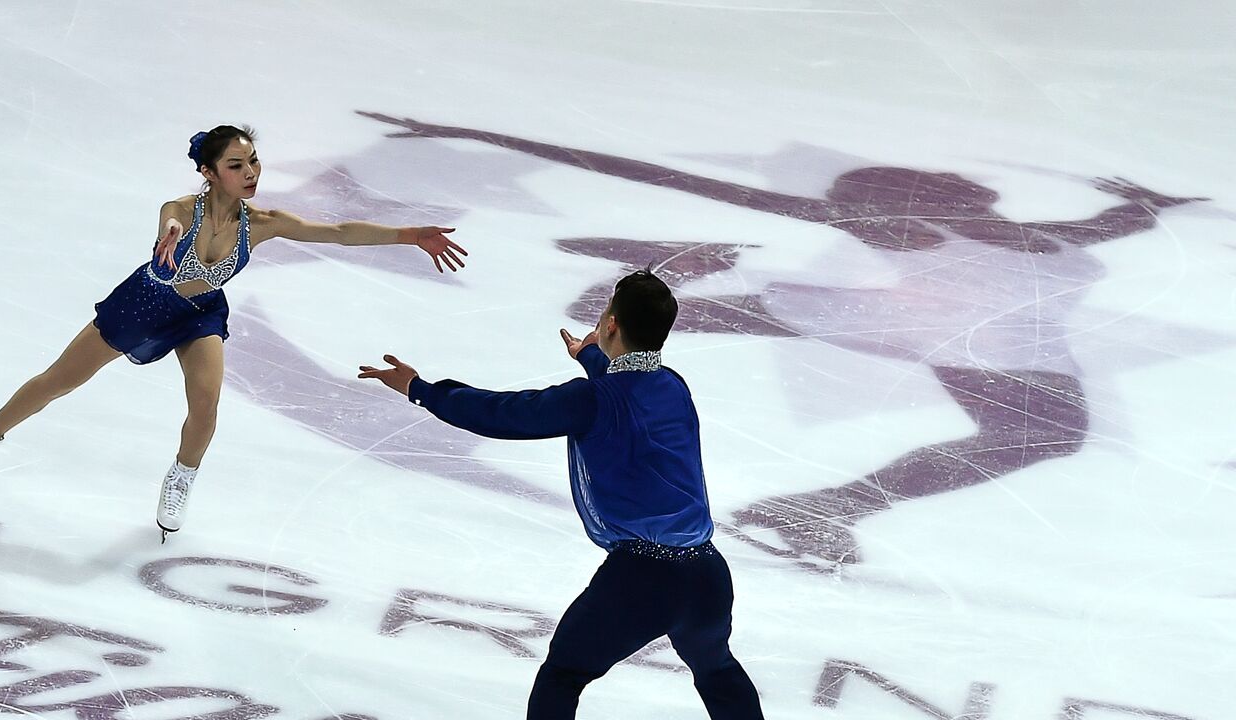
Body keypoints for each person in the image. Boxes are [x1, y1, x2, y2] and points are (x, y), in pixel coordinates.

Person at [358, 112, 1204, 565]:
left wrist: (1146, 206)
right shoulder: (914, 226)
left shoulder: (1020, 234)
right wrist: (497, 137)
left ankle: (822, 505)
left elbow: (1100, 228)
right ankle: (640, 317)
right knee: (1040, 432)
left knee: (1043, 435)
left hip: (1013, 344)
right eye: (950, 182)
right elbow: (681, 177)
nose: (963, 187)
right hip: (933, 323)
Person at [358, 269, 782, 720]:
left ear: (611, 322)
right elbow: (625, 396)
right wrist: (591, 358)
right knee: (716, 669)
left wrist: (420, 388)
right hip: (707, 573)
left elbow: (500, 413)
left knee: (561, 679)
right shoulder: (674, 385)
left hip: (640, 578)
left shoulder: (591, 400)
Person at [0, 124, 468, 540]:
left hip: (201, 313)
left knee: (205, 403)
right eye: (236, 165)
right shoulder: (182, 209)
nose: (251, 172)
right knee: (58, 382)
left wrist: (408, 235)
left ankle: (181, 476)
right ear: (209, 172)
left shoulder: (265, 222)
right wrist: (170, 232)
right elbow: (170, 217)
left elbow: (340, 232)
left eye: (253, 161)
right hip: (142, 303)